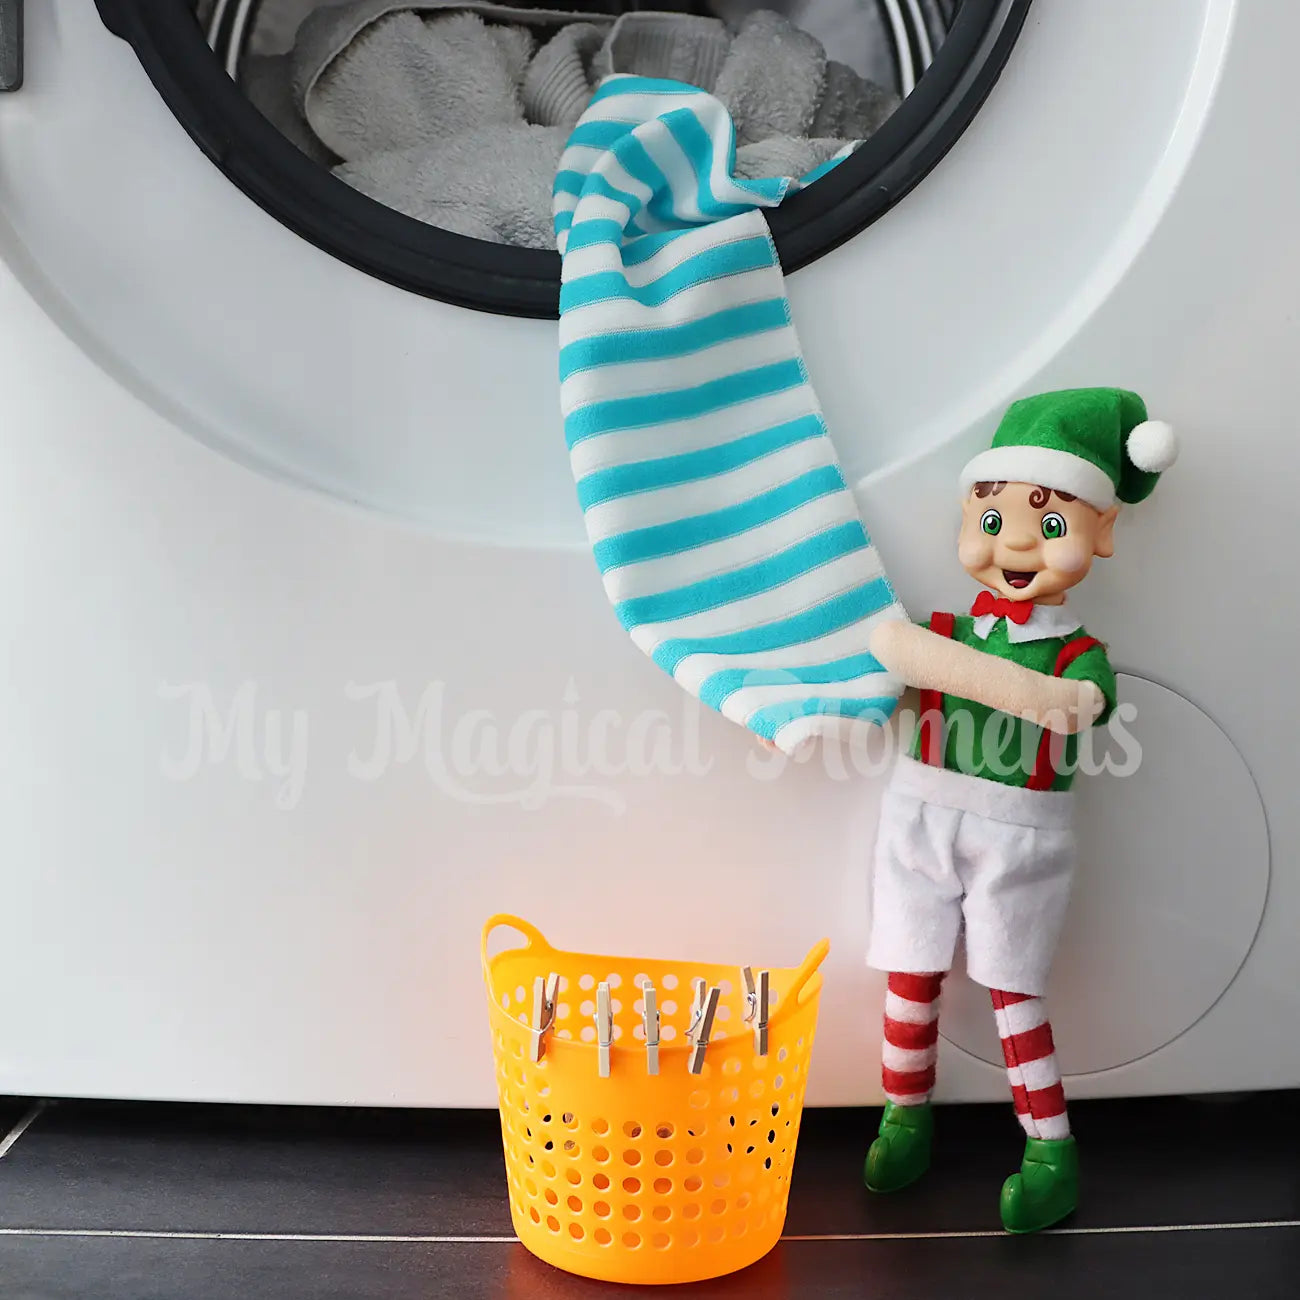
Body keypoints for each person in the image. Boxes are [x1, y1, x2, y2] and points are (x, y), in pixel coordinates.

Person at [863, 387, 1177, 1233]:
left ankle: (1049, 1153)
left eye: (1050, 524)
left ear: (1099, 534)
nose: (1015, 547)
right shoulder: (942, 631)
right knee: (908, 973)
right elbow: (878, 660)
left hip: (1019, 835)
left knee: (1013, 991)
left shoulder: (1078, 654)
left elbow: (1077, 707)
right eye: (992, 522)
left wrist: (948, 669)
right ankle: (904, 1116)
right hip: (921, 816)